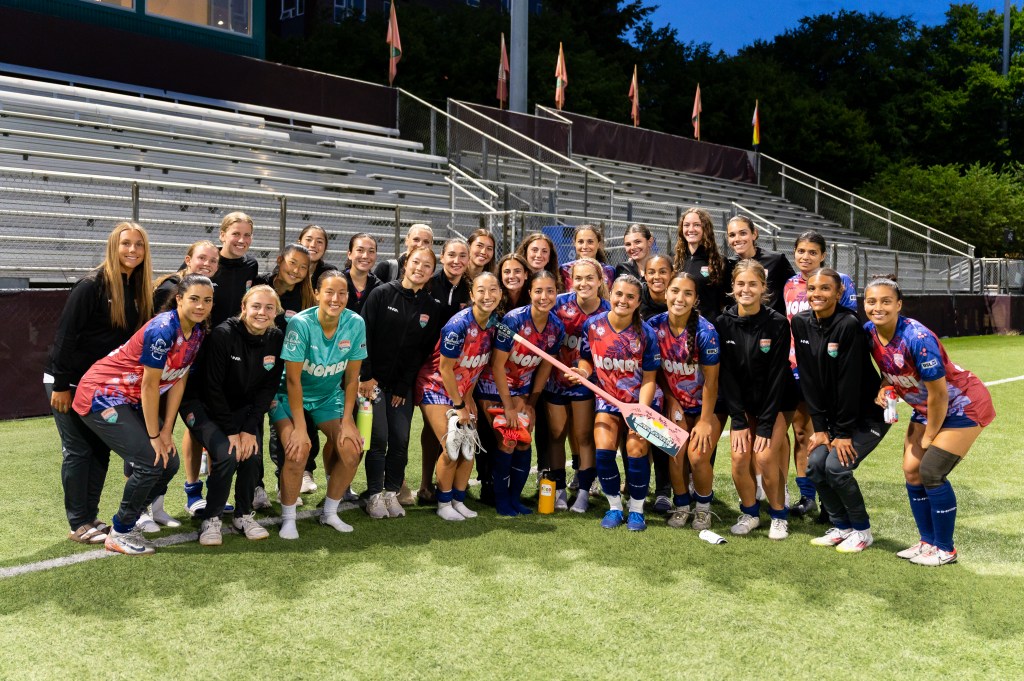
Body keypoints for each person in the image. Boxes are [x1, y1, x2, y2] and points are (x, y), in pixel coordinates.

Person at [72, 274, 212, 555]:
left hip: (130, 399)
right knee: (150, 460)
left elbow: (179, 379)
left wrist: (166, 430)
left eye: (207, 300)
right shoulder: (163, 328)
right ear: (179, 299)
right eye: (194, 299)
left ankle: (130, 519)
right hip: (102, 394)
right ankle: (121, 532)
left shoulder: (197, 331)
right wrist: (153, 435)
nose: (201, 306)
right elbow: (149, 386)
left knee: (169, 462)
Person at [863, 277, 996, 566]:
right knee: (912, 471)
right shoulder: (869, 332)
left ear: (899, 305)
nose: (878, 307)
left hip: (962, 405)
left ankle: (945, 549)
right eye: (871, 301)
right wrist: (884, 388)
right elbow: (889, 370)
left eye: (886, 301)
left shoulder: (918, 338)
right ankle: (927, 542)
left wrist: (929, 435)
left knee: (931, 471)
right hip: (927, 407)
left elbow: (939, 394)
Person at [45, 222, 155, 544]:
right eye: (126, 243)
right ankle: (78, 523)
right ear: (113, 246)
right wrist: (61, 385)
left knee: (99, 450)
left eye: (139, 244)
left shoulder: (140, 289)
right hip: (69, 381)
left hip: (104, 386)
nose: (132, 250)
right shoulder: (91, 286)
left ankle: (90, 517)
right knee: (78, 450)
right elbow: (65, 337)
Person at [792, 269, 889, 553]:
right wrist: (821, 429)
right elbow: (808, 378)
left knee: (836, 468)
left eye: (825, 288)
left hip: (867, 416)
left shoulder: (848, 324)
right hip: (834, 420)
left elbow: (850, 383)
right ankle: (842, 527)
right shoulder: (800, 322)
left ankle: (862, 531)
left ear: (838, 293)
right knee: (814, 466)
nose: (817, 294)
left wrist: (843, 433)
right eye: (812, 288)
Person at [181, 285, 284, 545]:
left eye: (269, 308)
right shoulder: (223, 334)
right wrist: (230, 431)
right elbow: (212, 388)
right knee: (228, 453)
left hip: (241, 408)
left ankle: (243, 515)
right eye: (256, 306)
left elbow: (267, 388)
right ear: (243, 308)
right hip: (202, 404)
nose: (262, 312)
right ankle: (211, 518)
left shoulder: (275, 337)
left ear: (276, 312)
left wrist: (248, 429)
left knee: (252, 455)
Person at [270, 271, 367, 539]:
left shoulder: (355, 323)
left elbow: (352, 378)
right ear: (316, 294)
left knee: (352, 450)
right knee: (298, 451)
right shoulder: (300, 324)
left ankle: (330, 512)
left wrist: (348, 420)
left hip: (327, 396)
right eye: (329, 292)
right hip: (288, 396)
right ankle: (289, 519)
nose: (336, 299)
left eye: (342, 293)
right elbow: (292, 381)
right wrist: (300, 428)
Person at [569, 275, 660, 532]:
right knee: (604, 450)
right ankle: (614, 507)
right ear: (610, 294)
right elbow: (587, 359)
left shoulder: (647, 333)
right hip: (607, 399)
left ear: (638, 302)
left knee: (636, 449)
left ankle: (637, 510)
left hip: (639, 401)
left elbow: (650, 379)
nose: (623, 300)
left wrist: (640, 412)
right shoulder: (593, 325)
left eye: (631, 297)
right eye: (619, 294)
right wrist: (583, 372)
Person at [183, 212, 259, 514]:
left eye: (247, 235)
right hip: (199, 352)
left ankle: (217, 492)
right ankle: (192, 491)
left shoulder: (251, 266)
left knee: (221, 421)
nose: (241, 240)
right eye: (235, 233)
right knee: (195, 427)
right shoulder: (205, 265)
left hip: (230, 357)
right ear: (222, 234)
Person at [359, 246, 442, 519]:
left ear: (432, 272)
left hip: (400, 388)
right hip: (373, 383)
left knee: (400, 439)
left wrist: (404, 384)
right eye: (416, 262)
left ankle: (391, 493)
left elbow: (421, 352)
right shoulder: (382, 293)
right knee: (379, 438)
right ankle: (373, 494)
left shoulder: (431, 307)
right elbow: (364, 335)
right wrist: (367, 376)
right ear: (406, 263)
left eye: (427, 266)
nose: (420, 268)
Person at [716, 260, 797, 540]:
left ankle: (778, 516)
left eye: (753, 284)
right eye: (741, 284)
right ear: (733, 287)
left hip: (775, 402)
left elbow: (777, 376)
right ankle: (750, 513)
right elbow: (727, 377)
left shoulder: (777, 323)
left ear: (763, 287)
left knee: (764, 456)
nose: (746, 289)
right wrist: (738, 420)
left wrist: (764, 425)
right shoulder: (722, 323)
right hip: (742, 404)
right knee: (739, 458)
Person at [414, 272, 502, 521]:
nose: (487, 296)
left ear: (500, 294)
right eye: (481, 290)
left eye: (493, 290)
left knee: (468, 446)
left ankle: (458, 500)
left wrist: (469, 397)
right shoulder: (459, 325)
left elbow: (474, 368)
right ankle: (443, 504)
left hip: (462, 391)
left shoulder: (494, 324)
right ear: (472, 294)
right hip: (436, 386)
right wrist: (460, 404)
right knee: (452, 444)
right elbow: (445, 369)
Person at [783, 230, 858, 517]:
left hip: (830, 368)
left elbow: (849, 321)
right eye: (801, 251)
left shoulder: (841, 280)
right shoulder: (790, 284)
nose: (806, 256)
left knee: (827, 432)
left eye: (813, 252)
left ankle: (830, 500)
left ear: (823, 255)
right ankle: (807, 496)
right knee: (802, 432)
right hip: (798, 366)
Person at [477, 270, 564, 516]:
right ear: (529, 293)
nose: (544, 297)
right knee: (508, 440)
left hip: (522, 389)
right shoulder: (513, 321)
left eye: (550, 291)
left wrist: (531, 403)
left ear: (557, 293)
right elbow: (497, 365)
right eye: (538, 291)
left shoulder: (556, 326)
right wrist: (508, 406)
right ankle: (502, 501)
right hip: (494, 386)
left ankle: (515, 499)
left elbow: (545, 366)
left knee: (524, 442)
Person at [648, 272, 722, 530]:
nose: (680, 298)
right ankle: (681, 506)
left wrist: (705, 422)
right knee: (675, 451)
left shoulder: (706, 332)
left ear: (696, 299)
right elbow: (655, 370)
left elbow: (712, 382)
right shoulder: (654, 326)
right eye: (675, 291)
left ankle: (703, 509)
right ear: (666, 293)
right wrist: (670, 399)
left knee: (698, 456)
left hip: (707, 406)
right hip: (675, 402)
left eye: (688, 293)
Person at [254, 244, 318, 506]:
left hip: (286, 376)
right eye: (292, 263)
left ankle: (284, 484)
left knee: (285, 431)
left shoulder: (305, 299)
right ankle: (255, 487)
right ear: (280, 260)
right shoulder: (258, 285)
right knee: (253, 429)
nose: (296, 270)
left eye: (303, 267)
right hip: (254, 371)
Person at [545, 258, 609, 514]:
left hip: (587, 383)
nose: (583, 283)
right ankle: (559, 489)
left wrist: (584, 372)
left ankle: (583, 491)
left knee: (583, 436)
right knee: (556, 435)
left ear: (600, 281)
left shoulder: (608, 310)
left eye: (589, 278)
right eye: (578, 278)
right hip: (555, 380)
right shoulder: (558, 304)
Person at [416, 238, 472, 503]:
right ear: (442, 256)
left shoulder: (471, 289)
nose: (456, 261)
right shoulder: (429, 284)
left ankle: (454, 483)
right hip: (427, 368)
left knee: (457, 430)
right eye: (451, 255)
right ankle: (425, 484)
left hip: (461, 371)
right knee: (432, 429)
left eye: (462, 256)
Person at [726, 215, 795, 315]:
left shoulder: (776, 260)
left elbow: (795, 288)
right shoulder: (729, 264)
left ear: (754, 234)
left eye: (743, 233)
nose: (737, 239)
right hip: (741, 322)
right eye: (732, 235)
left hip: (772, 322)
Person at [673, 207, 732, 322]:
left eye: (697, 225)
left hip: (708, 326)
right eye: (686, 225)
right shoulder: (675, 260)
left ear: (706, 229)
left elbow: (728, 299)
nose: (691, 229)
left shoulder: (719, 261)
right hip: (679, 325)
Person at [153, 240, 219, 311]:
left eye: (213, 261)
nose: (207, 264)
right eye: (202, 258)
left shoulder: (211, 289)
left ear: (217, 267)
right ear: (188, 260)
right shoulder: (170, 288)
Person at [559, 224, 616, 289]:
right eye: (580, 242)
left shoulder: (609, 271)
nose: (585, 246)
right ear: (575, 244)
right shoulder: (565, 270)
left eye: (590, 242)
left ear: (598, 244)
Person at [344, 233, 381, 316]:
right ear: (349, 254)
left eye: (371, 251)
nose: (365, 256)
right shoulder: (337, 282)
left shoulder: (380, 288)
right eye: (360, 250)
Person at [639, 254, 671, 321]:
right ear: (645, 276)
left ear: (672, 274)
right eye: (651, 272)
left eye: (663, 272)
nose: (657, 277)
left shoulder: (678, 298)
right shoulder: (636, 295)